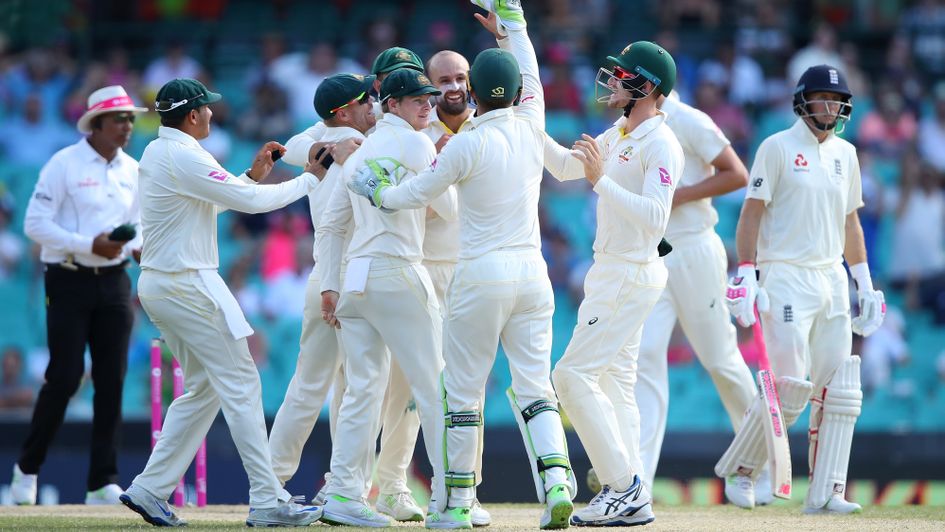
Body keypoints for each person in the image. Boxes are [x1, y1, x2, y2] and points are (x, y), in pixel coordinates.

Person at [349, 3, 577, 528]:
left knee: (461, 392)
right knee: (536, 388)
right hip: (532, 275)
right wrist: (513, 27)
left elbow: (411, 194)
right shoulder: (531, 123)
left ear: (474, 91)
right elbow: (531, 71)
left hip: (478, 275)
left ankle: (454, 504)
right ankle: (558, 485)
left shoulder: (464, 145)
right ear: (517, 92)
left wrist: (375, 188)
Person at [118, 78, 322, 527]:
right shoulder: (184, 154)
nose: (212, 113)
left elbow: (219, 199)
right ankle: (268, 501)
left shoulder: (160, 150)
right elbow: (247, 204)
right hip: (187, 284)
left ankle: (150, 489)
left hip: (165, 284)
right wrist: (310, 180)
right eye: (206, 108)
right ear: (192, 115)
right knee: (242, 381)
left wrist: (251, 177)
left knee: (205, 388)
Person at [717, 65, 885, 514]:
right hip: (785, 275)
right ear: (803, 101)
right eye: (823, 98)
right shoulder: (776, 147)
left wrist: (864, 283)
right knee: (792, 386)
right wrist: (748, 272)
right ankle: (744, 471)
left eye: (837, 100)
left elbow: (851, 221)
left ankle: (827, 491)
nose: (830, 107)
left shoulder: (847, 154)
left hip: (831, 276)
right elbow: (751, 213)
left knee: (837, 390)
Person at [542, 38, 683, 526]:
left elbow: (656, 219)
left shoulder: (661, 142)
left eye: (625, 76)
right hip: (612, 270)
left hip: (630, 270)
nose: (614, 81)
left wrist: (602, 181)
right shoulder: (621, 131)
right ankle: (633, 494)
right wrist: (522, 122)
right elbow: (563, 168)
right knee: (617, 383)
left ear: (647, 86)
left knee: (571, 376)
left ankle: (623, 486)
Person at [315, 68, 453, 528]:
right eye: (417, 100)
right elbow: (448, 209)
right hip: (397, 268)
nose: (427, 107)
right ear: (391, 104)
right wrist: (443, 166)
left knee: (362, 391)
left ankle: (343, 496)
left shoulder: (357, 154)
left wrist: (330, 285)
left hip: (357, 277)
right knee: (434, 387)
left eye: (429, 100)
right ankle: (450, 500)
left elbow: (333, 221)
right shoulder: (416, 143)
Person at [12, 85, 146, 506]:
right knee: (66, 376)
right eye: (120, 119)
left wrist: (136, 244)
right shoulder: (63, 163)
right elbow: (34, 224)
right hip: (67, 278)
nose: (127, 126)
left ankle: (102, 480)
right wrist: (89, 244)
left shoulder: (134, 169)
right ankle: (27, 469)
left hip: (115, 280)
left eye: (129, 119)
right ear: (96, 124)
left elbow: (139, 224)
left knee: (112, 381)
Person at [266, 72, 383, 507]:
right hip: (348, 278)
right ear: (342, 112)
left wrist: (320, 147)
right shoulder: (344, 140)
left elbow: (296, 143)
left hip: (329, 277)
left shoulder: (332, 136)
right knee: (356, 385)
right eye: (364, 100)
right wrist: (328, 148)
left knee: (313, 385)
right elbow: (294, 146)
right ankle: (339, 486)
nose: (372, 104)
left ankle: (275, 481)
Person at [633, 92, 757, 493]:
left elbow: (737, 173)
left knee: (720, 359)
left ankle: (758, 462)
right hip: (654, 252)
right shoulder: (633, 123)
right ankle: (637, 481)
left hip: (695, 249)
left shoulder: (688, 120)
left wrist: (677, 196)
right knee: (646, 354)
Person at [420, 49, 492, 527]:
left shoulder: (488, 128)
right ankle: (409, 490)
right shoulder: (418, 133)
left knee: (469, 389)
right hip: (424, 268)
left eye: (460, 77)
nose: (452, 86)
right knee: (417, 389)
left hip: (471, 269)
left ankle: (466, 490)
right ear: (429, 84)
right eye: (443, 79)